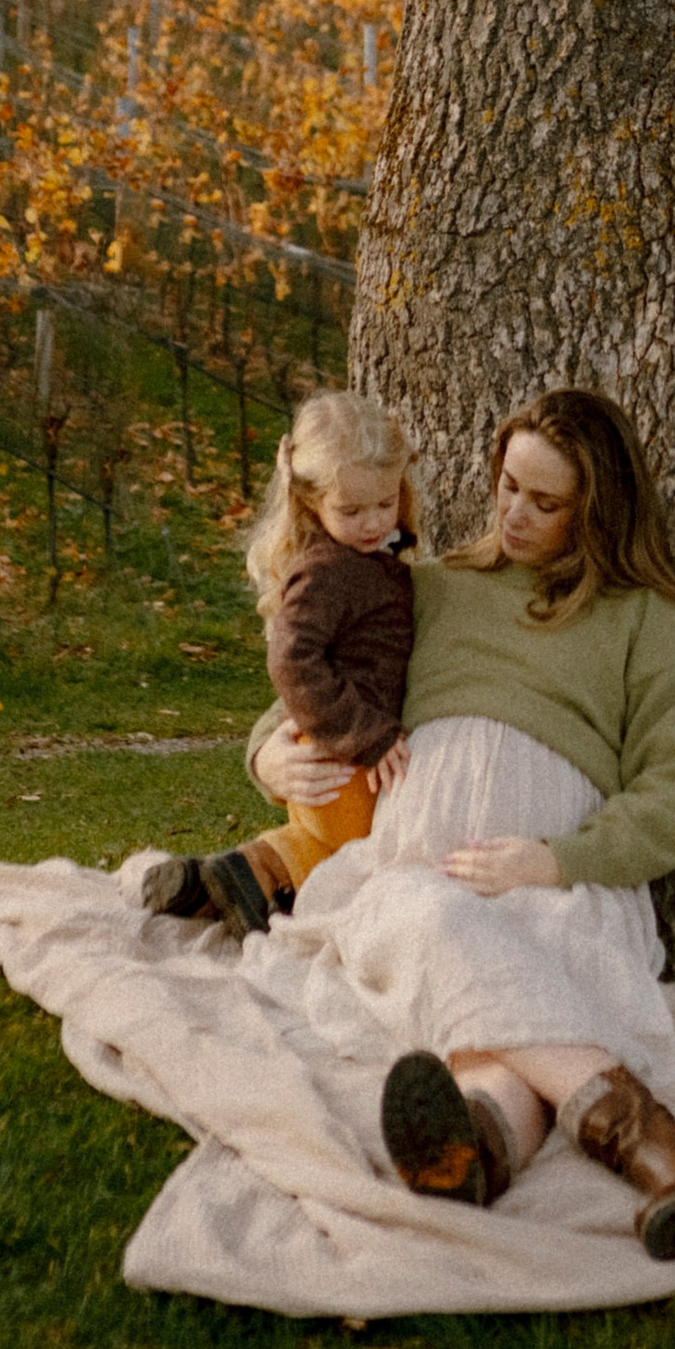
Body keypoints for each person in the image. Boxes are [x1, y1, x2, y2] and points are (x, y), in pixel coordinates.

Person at [241, 387, 675, 1265]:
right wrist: (267, 759)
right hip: (415, 873)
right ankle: (663, 1155)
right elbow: (306, 689)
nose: (513, 513)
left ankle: (481, 1149)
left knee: (499, 1000)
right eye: (507, 485)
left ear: (597, 510)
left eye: (545, 500)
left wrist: (554, 860)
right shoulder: (436, 586)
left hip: (561, 885)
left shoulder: (648, 623)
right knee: (429, 914)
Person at [141, 392, 418, 941]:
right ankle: (260, 891)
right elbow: (292, 659)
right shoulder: (326, 572)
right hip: (344, 758)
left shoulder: (369, 561)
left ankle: (215, 881)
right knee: (353, 857)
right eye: (352, 510)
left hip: (341, 757)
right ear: (313, 502)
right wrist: (368, 736)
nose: (372, 522)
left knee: (320, 843)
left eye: (385, 504)